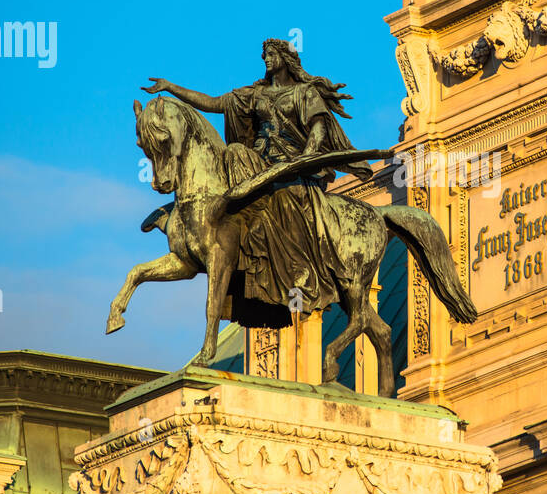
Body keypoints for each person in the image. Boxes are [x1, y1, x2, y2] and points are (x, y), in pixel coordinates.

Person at [142, 38, 375, 327]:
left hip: (292, 170)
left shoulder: (305, 93)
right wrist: (171, 88)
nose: (266, 59)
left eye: (271, 54)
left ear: (286, 59)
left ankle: (295, 265)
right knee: (236, 155)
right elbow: (215, 103)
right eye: (264, 55)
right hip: (261, 165)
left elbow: (318, 128)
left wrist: (305, 157)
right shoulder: (256, 94)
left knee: (282, 195)